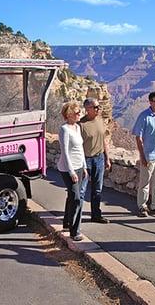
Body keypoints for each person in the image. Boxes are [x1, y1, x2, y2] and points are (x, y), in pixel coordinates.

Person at [57, 101, 88, 241]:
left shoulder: (77, 127)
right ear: (69, 115)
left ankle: (67, 223)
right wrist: (71, 172)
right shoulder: (64, 130)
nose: (79, 114)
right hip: (68, 169)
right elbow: (65, 153)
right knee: (77, 198)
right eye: (77, 113)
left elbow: (80, 149)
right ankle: (75, 231)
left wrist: (85, 166)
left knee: (72, 195)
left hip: (80, 166)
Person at [79, 98, 111, 224]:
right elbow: (78, 146)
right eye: (95, 107)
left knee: (97, 189)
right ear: (87, 109)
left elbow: (104, 140)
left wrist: (107, 158)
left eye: (98, 107)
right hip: (86, 160)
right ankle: (76, 217)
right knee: (81, 190)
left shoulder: (100, 120)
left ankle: (96, 215)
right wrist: (81, 164)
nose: (98, 109)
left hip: (99, 158)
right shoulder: (81, 125)